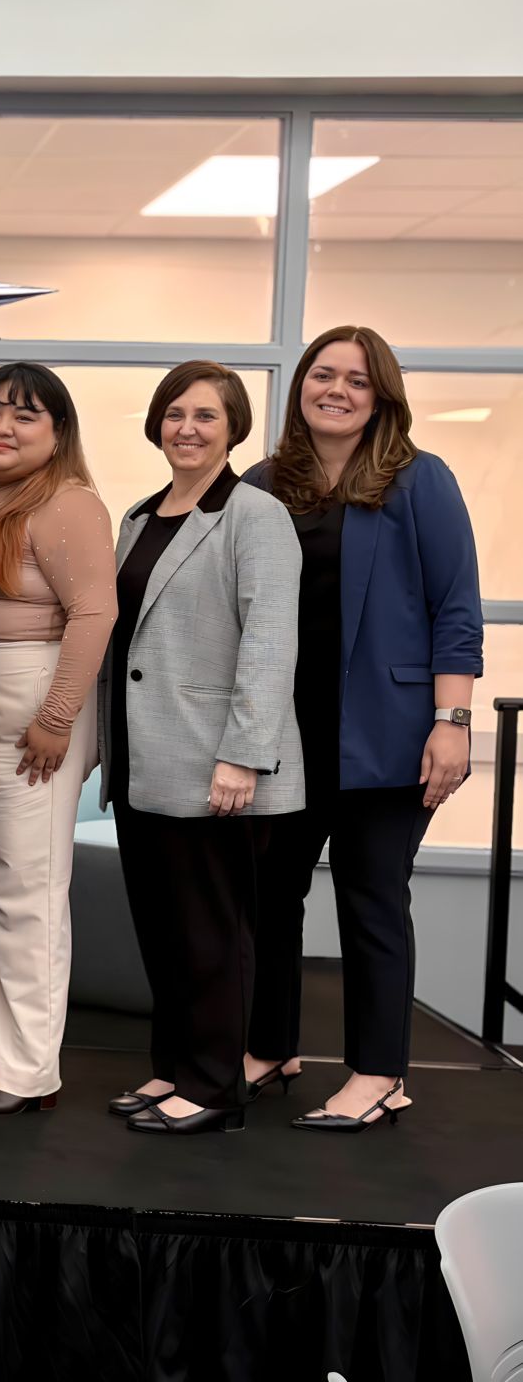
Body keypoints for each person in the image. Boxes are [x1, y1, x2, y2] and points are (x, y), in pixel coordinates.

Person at [243, 326, 481, 1133]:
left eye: (356, 379)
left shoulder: (420, 479)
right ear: (301, 386)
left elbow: (456, 610)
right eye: (323, 374)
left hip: (390, 734)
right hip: (285, 734)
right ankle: (269, 1048)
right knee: (269, 894)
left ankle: (379, 1074)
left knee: (371, 896)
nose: (336, 390)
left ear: (381, 397)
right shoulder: (266, 483)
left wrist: (452, 723)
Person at [97, 362, 304, 1135]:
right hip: (144, 757)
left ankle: (216, 1089)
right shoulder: (139, 515)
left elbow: (269, 643)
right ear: (157, 423)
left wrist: (243, 754)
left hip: (216, 761)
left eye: (206, 416)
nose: (187, 428)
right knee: (163, 928)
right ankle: (174, 1067)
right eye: (175, 413)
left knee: (213, 932)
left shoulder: (256, 516)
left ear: (233, 429)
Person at [0, 362, 116, 1117]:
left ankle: (25, 1074)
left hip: (34, 691)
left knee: (27, 890)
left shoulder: (69, 503)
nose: (2, 427)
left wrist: (57, 715)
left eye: (25, 415)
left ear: (58, 431)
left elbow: (95, 613)